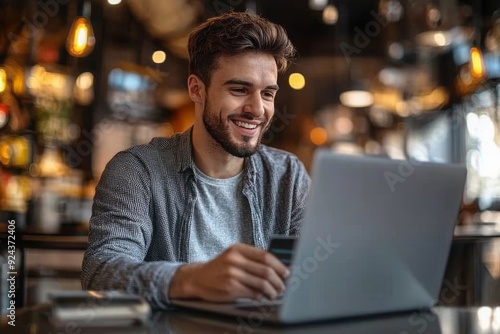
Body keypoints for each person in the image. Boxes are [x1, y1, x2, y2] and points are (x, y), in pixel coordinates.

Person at [81, 11, 311, 310]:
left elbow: (315, 272)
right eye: (239, 89)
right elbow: (101, 271)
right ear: (196, 89)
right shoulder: (137, 171)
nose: (257, 109)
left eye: (267, 93)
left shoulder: (287, 175)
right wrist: (193, 280)